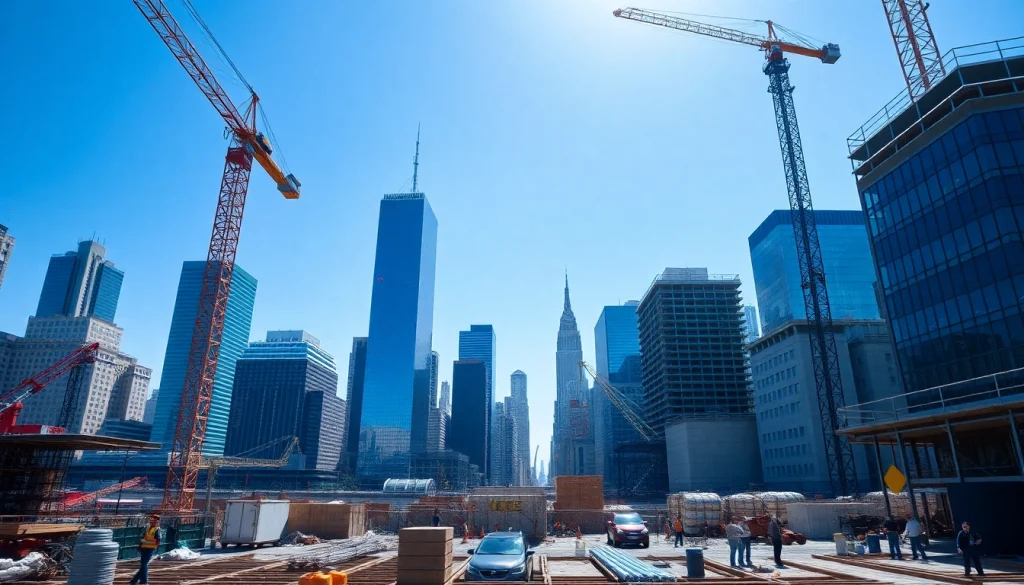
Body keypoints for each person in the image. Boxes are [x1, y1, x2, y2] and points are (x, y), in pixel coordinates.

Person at [129, 514, 161, 585]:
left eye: (154, 520)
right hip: (144, 548)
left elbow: (158, 540)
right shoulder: (148, 529)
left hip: (149, 549)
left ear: (156, 522)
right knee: (143, 565)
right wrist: (140, 546)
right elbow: (144, 538)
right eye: (151, 520)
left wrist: (148, 542)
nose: (152, 521)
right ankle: (134, 581)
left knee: (144, 564)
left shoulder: (156, 530)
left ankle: (143, 581)